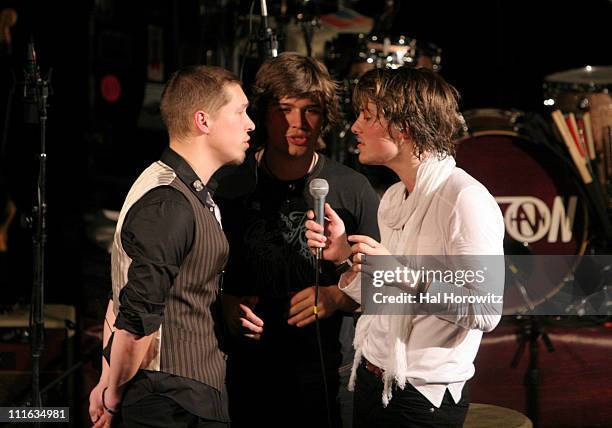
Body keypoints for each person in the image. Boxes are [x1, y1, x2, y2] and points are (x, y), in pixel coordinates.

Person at [305, 67, 505, 427]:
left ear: (404, 127)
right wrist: (342, 258)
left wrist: (402, 274)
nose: (354, 127)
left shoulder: (465, 199)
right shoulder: (395, 196)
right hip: (371, 377)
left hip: (422, 396)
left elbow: (486, 310)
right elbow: (389, 296)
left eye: (367, 116)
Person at [213, 52, 380, 427]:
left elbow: (383, 289)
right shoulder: (230, 184)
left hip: (327, 376)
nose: (297, 123)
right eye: (284, 109)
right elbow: (202, 272)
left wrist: (336, 297)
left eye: (311, 110)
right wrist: (223, 303)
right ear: (263, 113)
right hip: (247, 370)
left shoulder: (353, 189)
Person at [88, 65, 255, 428]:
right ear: (203, 121)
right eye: (240, 111)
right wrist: (112, 392)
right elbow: (135, 318)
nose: (250, 124)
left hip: (182, 397)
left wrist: (107, 379)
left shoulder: (185, 192)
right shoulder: (168, 202)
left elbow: (121, 299)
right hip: (171, 403)